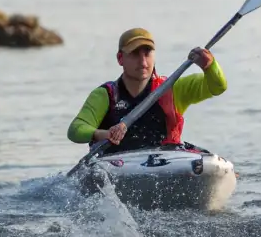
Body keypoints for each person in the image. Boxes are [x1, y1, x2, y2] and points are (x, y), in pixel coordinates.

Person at [67, 27, 227, 152]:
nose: (143, 62)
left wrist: (209, 66)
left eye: (147, 53)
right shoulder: (106, 95)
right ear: (120, 58)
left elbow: (218, 87)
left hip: (165, 159)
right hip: (117, 164)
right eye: (135, 54)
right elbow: (76, 130)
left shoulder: (173, 89)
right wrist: (105, 134)